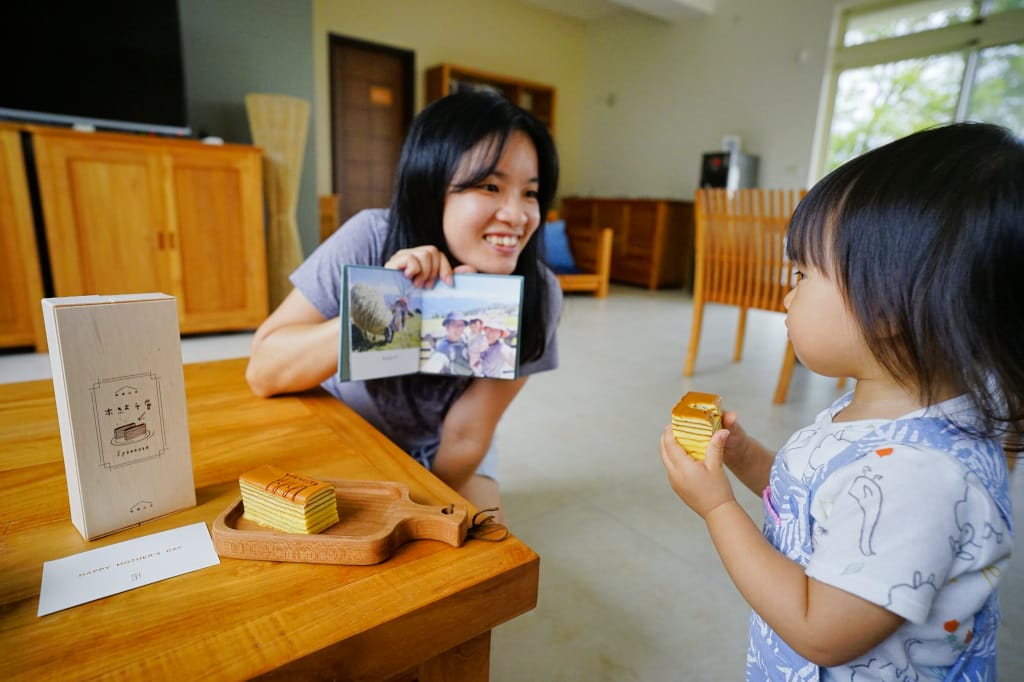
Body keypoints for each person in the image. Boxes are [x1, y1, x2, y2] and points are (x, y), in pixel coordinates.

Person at [659, 122, 1022, 680]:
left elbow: (820, 630)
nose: (788, 292)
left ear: (890, 303)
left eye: (803, 273)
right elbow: (821, 501)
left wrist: (717, 509)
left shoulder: (922, 477)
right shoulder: (879, 413)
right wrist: (746, 455)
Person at [246, 91, 561, 521]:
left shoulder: (537, 294)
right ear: (432, 186)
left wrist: (411, 515)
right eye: (491, 186)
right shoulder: (371, 237)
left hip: (444, 447)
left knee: (481, 549)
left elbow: (467, 436)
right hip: (345, 422)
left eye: (530, 192)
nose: (519, 215)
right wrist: (393, 302)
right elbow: (264, 371)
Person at [422, 311, 473, 376]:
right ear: (447, 327)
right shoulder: (441, 350)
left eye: (461, 325)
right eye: (454, 325)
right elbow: (433, 364)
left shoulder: (463, 338)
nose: (459, 328)